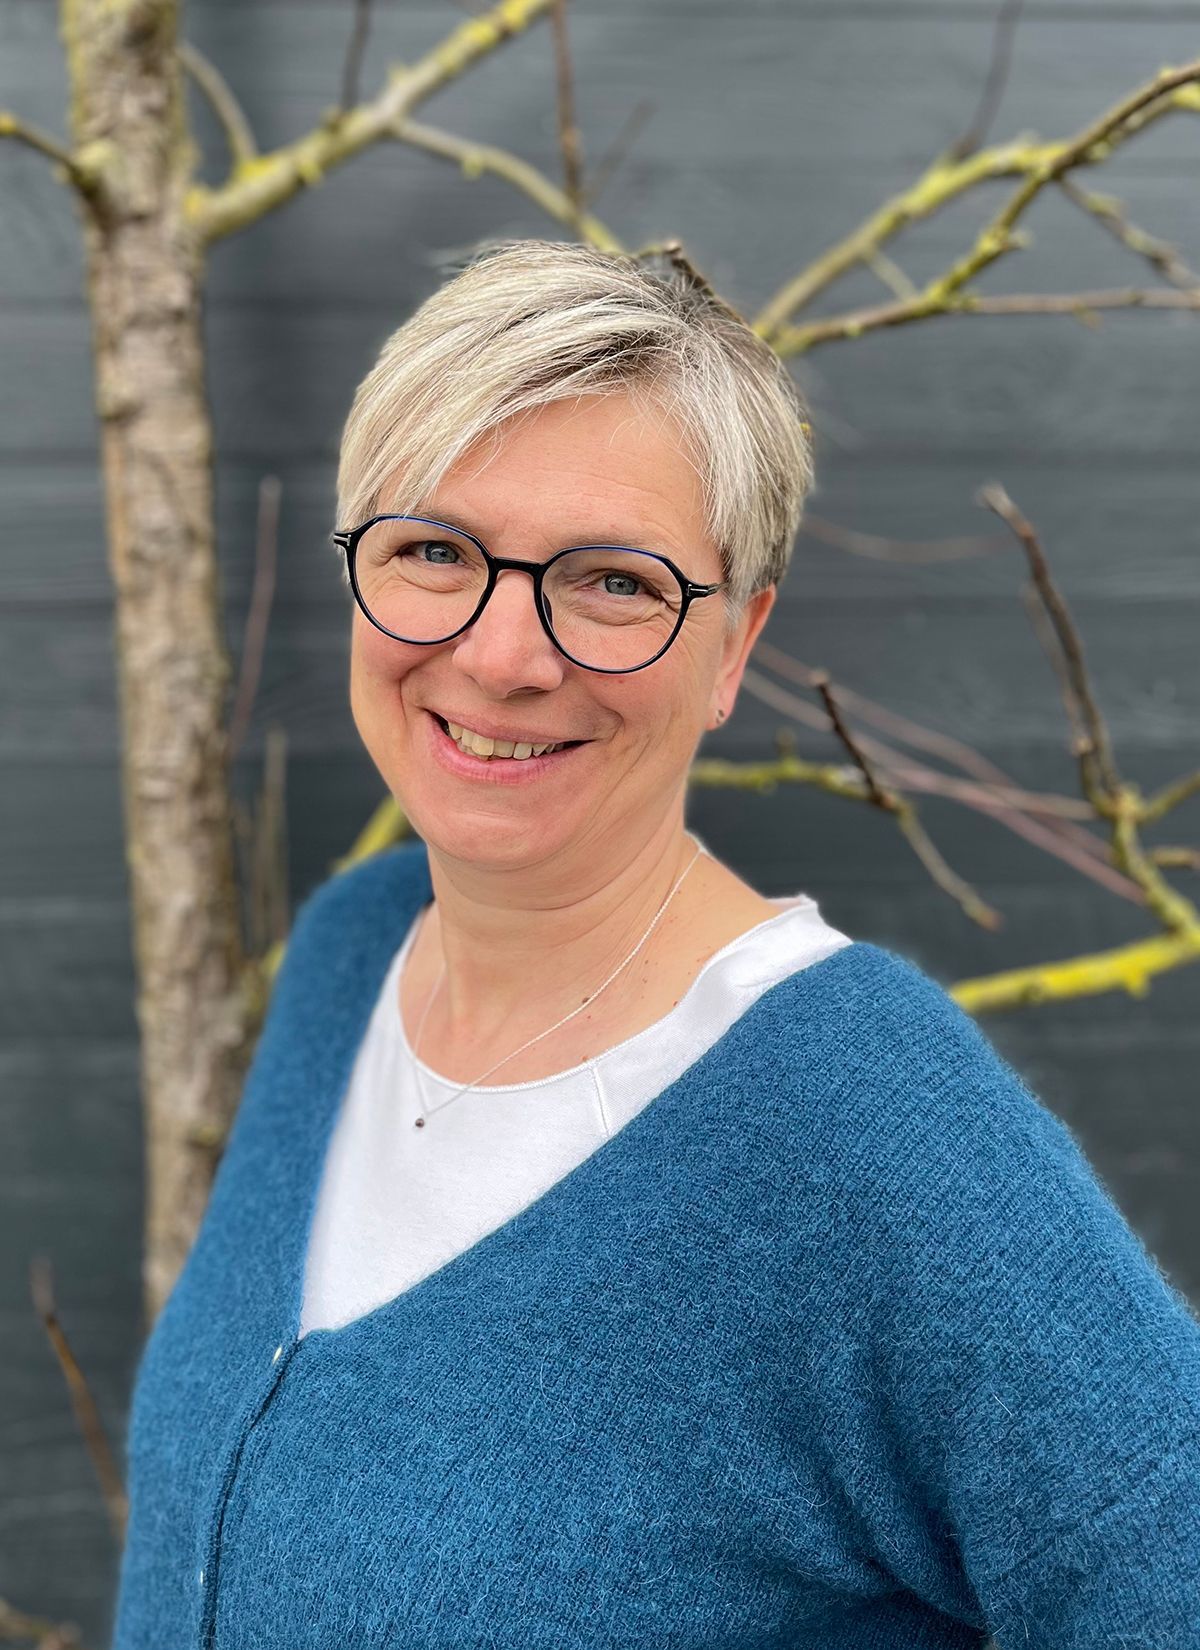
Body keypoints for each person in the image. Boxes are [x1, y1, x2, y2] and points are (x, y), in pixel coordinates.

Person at [110, 239, 1200, 1650]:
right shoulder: (348, 956)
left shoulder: (871, 1120)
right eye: (433, 550)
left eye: (613, 582)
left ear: (734, 644)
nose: (502, 656)